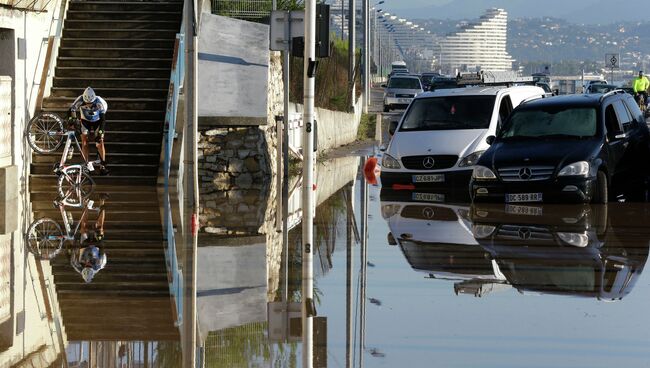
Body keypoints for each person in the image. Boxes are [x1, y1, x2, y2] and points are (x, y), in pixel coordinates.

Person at [68, 87, 109, 175]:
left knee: (100, 143)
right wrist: (72, 119)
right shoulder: (80, 99)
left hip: (97, 121)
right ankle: (86, 165)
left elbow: (103, 120)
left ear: (94, 100)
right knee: (84, 142)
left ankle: (103, 165)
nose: (89, 105)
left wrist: (100, 133)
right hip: (85, 121)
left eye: (90, 103)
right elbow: (71, 109)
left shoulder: (99, 103)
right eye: (86, 103)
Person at [70, 197, 107, 283]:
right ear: (93, 268)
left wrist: (76, 242)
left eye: (86, 265)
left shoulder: (77, 265)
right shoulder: (100, 264)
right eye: (89, 265)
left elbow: (74, 251)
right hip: (97, 245)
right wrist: (100, 237)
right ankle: (102, 202)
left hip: (84, 245)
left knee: (83, 227)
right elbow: (102, 248)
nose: (88, 263)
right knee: (99, 227)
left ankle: (85, 205)